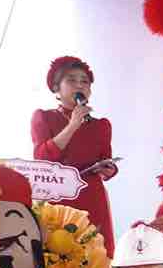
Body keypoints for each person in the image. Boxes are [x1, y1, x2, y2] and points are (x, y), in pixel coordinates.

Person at [30, 56, 117, 250]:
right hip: (59, 196)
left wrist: (109, 169)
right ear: (56, 89)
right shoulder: (44, 117)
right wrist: (73, 125)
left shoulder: (101, 125)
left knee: (96, 254)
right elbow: (42, 158)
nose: (79, 85)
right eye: (71, 80)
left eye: (84, 82)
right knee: (59, 254)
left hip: (92, 196)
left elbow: (106, 160)